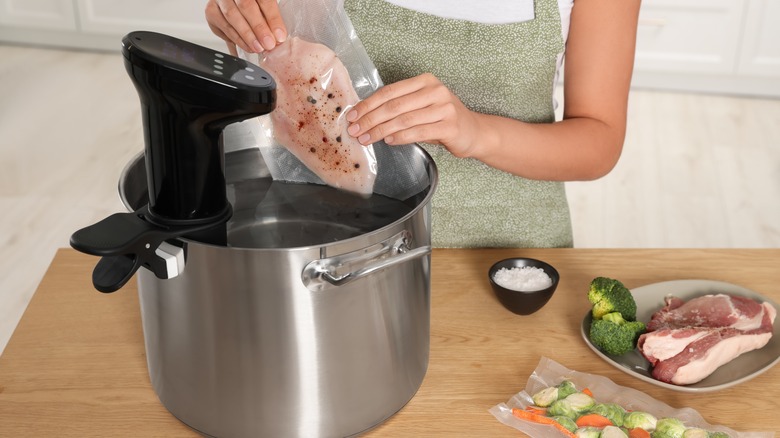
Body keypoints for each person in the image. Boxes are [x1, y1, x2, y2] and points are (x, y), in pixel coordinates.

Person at [204, 0, 641, 248]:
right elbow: (298, 58)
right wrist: (248, 19)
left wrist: (476, 133)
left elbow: (598, 138)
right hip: (339, 242)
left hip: (503, 252)